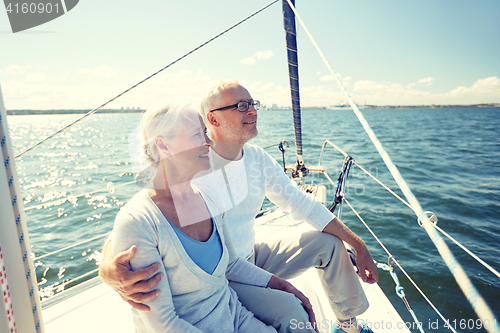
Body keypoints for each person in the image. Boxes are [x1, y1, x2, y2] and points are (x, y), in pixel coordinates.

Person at [100, 81, 378, 333]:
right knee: (293, 312)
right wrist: (107, 264)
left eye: (253, 104)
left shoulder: (255, 159)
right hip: (225, 276)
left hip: (246, 259)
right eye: (241, 106)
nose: (253, 112)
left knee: (328, 244)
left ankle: (348, 326)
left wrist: (359, 244)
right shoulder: (193, 167)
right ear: (212, 119)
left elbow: (301, 203)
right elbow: (147, 218)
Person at [109, 101, 316, 333]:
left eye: (205, 132)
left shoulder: (209, 195)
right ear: (163, 146)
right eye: (198, 134)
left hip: (234, 317)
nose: (208, 142)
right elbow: (164, 325)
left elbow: (232, 264)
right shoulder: (138, 221)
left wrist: (284, 286)